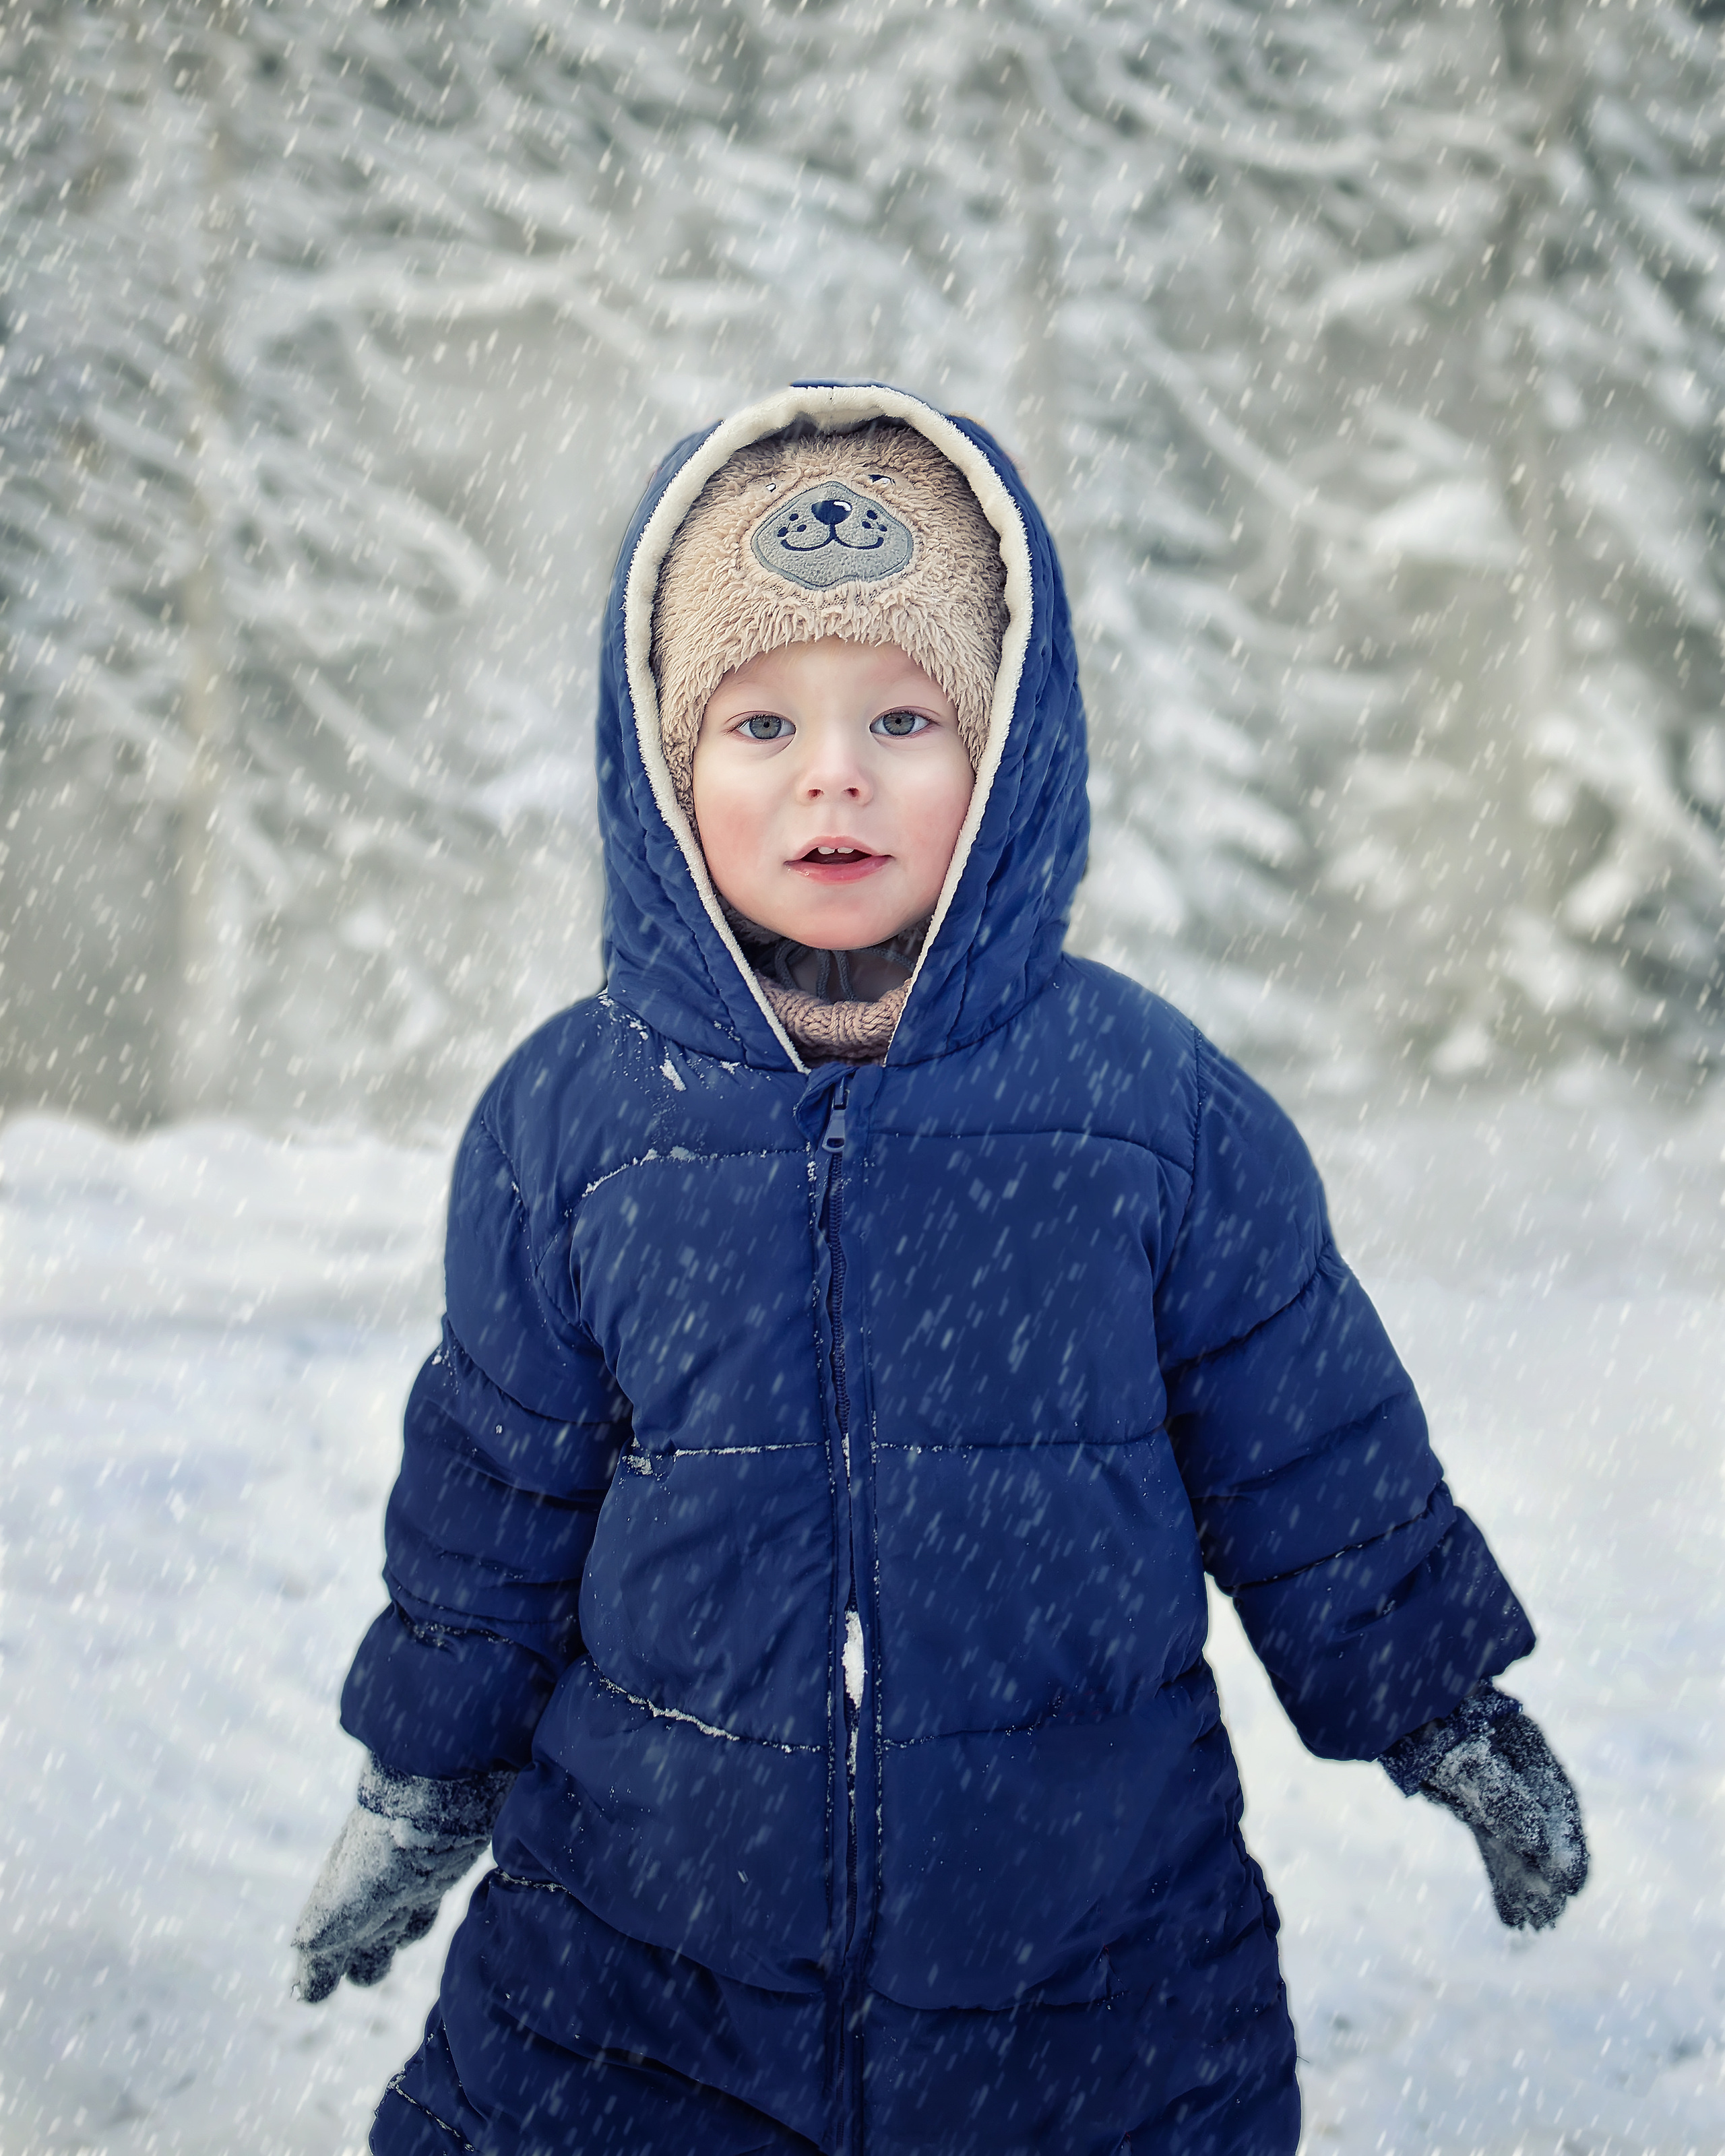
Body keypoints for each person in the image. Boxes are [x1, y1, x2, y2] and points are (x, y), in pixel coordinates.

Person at [292, 385, 1588, 2156]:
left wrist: (1439, 1700)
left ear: (1009, 751)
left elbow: (1308, 1447)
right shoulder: (577, 1125)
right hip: (638, 1972)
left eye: (905, 715)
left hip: (1087, 1976)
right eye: (761, 722)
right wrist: (426, 1770)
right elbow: (496, 1496)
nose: (836, 772)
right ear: (667, 773)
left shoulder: (1146, 1111)